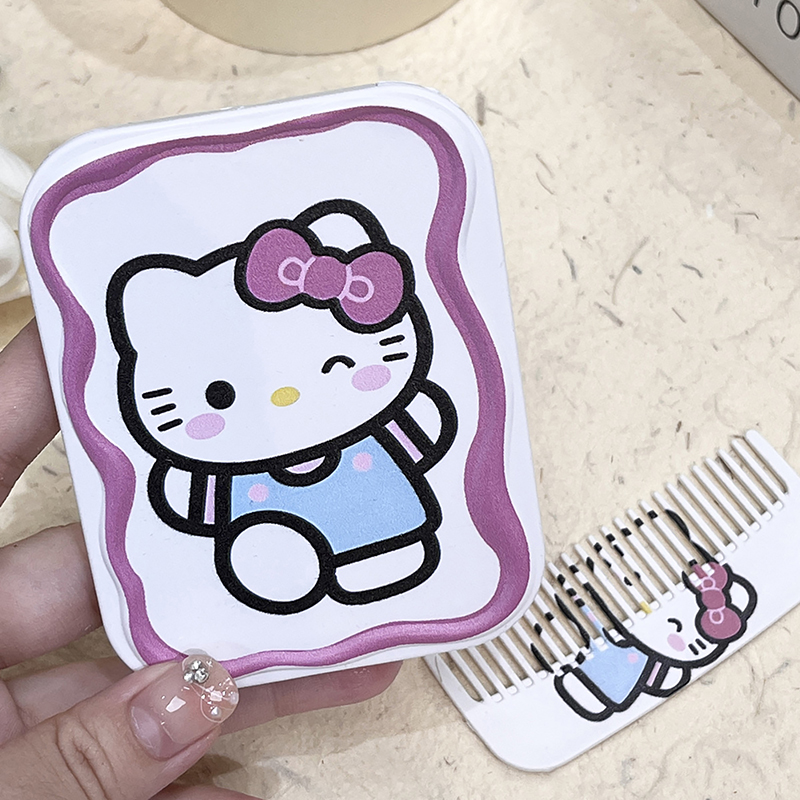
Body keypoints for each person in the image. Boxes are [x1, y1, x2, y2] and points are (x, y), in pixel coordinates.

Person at [0, 321, 400, 799]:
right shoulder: (226, 469)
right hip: (260, 535)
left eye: (333, 364)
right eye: (218, 394)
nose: (284, 396)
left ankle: (377, 554)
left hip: (373, 509)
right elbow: (193, 505)